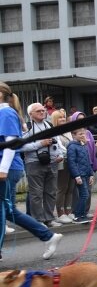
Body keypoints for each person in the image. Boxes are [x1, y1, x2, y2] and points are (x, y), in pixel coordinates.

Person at [0, 83, 63, 260]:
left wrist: (3, 170)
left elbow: (12, 143)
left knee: (5, 209)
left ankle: (48, 235)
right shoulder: (4, 113)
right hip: (7, 168)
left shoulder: (6, 113)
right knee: (9, 209)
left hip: (7, 169)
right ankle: (48, 236)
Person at [20, 103, 62, 226]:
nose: (42, 112)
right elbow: (21, 146)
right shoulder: (27, 127)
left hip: (52, 162)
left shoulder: (49, 125)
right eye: (38, 111)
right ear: (30, 114)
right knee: (36, 193)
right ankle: (38, 220)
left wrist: (59, 154)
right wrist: (40, 144)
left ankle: (49, 218)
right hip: (34, 162)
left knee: (51, 192)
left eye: (43, 110)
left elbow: (56, 142)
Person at [51, 109, 75, 223]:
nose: (62, 119)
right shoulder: (55, 132)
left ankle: (68, 210)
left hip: (71, 161)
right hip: (62, 162)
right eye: (60, 117)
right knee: (62, 188)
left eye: (63, 117)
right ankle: (60, 213)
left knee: (70, 188)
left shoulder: (68, 131)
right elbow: (60, 148)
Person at [66, 128, 94, 223]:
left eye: (83, 134)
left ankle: (82, 214)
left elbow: (87, 161)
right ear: (74, 135)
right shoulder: (72, 146)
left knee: (85, 194)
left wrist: (91, 174)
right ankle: (78, 215)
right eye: (80, 134)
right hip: (80, 174)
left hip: (86, 173)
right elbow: (72, 162)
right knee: (84, 194)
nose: (82, 135)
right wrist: (76, 176)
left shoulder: (83, 145)